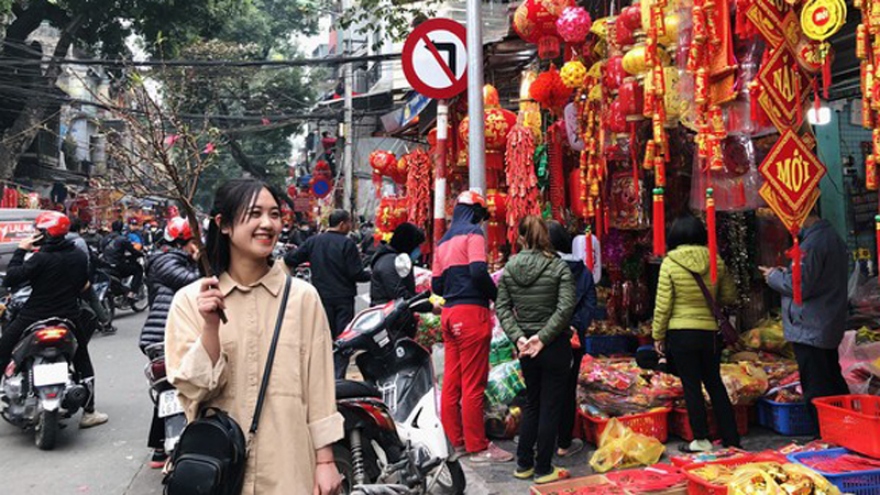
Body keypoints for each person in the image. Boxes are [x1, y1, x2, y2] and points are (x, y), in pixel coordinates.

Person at [165, 179, 343, 495]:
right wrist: (210, 327)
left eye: (274, 214)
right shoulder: (190, 301)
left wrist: (325, 461)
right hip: (219, 473)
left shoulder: (303, 298)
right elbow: (192, 388)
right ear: (224, 224)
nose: (267, 224)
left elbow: (319, 386)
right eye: (255, 213)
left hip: (288, 469)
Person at [0, 211, 109, 428]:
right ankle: (89, 411)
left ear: (47, 233)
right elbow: (82, 284)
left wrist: (21, 250)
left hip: (34, 315)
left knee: (3, 350)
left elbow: (12, 278)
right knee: (82, 361)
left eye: (39, 232)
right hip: (68, 316)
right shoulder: (78, 256)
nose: (36, 234)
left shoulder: (40, 258)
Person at [432, 190, 513, 463]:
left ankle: (455, 442)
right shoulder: (474, 235)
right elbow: (478, 270)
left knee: (452, 383)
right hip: (471, 314)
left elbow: (436, 286)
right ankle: (478, 445)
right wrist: (496, 295)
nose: (481, 222)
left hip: (449, 314)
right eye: (480, 216)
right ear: (475, 214)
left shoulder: (442, 242)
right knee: (473, 384)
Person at [495, 216, 575, 483]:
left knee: (532, 403)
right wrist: (543, 337)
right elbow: (565, 308)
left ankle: (523, 463)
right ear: (546, 237)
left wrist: (519, 338)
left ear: (520, 238)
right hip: (553, 346)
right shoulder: (559, 267)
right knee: (550, 406)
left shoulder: (510, 268)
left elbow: (502, 308)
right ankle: (543, 468)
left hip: (527, 348)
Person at [653, 215, 740, 452]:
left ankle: (701, 439)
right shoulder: (716, 260)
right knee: (714, 383)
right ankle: (732, 437)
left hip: (681, 333)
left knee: (691, 385)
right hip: (709, 333)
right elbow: (729, 297)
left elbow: (663, 305)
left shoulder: (669, 263)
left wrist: (658, 336)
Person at [761, 211, 849, 425]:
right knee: (830, 378)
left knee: (817, 384)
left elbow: (799, 286)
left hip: (811, 325)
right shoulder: (828, 236)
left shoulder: (813, 243)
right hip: (823, 322)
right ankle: (843, 425)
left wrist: (773, 277)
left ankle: (825, 431)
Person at [139, 217, 201, 469]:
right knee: (184, 387)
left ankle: (158, 450)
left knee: (168, 390)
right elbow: (192, 283)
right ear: (186, 241)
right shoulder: (166, 261)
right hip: (165, 335)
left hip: (171, 334)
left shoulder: (169, 258)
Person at [285, 209, 370, 378]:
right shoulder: (347, 244)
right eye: (349, 223)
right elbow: (356, 273)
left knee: (323, 336)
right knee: (344, 338)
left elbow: (291, 258)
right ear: (342, 224)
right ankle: (338, 377)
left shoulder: (314, 241)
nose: (350, 226)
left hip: (321, 297)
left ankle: (321, 375)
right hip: (343, 299)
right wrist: (371, 274)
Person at [548, 221, 596, 459]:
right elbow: (590, 305)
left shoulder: (543, 268)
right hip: (573, 338)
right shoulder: (583, 271)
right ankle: (563, 443)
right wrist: (576, 326)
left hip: (545, 336)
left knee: (543, 388)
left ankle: (542, 441)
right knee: (567, 388)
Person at [68, 218, 114, 333]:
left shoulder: (59, 241)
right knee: (93, 298)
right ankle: (105, 322)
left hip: (61, 279)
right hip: (80, 277)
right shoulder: (79, 241)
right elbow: (88, 259)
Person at [370, 222, 426, 307]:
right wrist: (429, 306)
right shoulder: (389, 262)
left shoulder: (397, 259)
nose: (419, 250)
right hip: (388, 314)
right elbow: (400, 295)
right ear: (408, 244)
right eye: (417, 246)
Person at [102, 219, 145, 299]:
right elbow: (133, 251)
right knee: (138, 269)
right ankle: (132, 293)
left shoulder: (104, 239)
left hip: (106, 265)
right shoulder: (122, 239)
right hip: (118, 266)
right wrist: (141, 254)